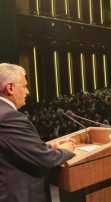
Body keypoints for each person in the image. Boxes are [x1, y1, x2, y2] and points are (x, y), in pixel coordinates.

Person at [0, 63, 76, 202]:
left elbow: (14, 149)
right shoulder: (8, 117)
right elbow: (45, 159)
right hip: (20, 195)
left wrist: (50, 147)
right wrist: (65, 150)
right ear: (10, 87)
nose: (27, 91)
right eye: (24, 86)